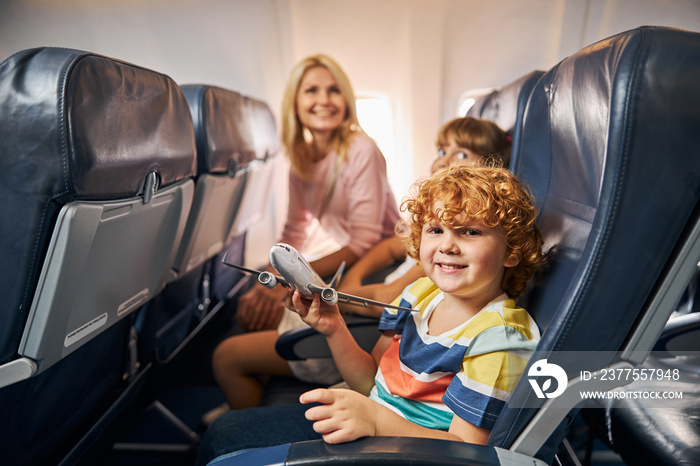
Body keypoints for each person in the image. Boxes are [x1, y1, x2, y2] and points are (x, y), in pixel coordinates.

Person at [196, 164, 545, 464]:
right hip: (373, 428)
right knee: (223, 432)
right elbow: (371, 382)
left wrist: (377, 422)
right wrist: (334, 328)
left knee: (228, 447)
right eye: (436, 230)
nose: (447, 245)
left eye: (470, 232)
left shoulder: (497, 339)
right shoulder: (421, 295)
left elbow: (469, 453)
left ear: (511, 252)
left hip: (407, 453)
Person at [210, 54, 399, 412]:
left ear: (346, 100)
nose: (324, 100)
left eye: (333, 91)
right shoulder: (302, 156)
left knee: (231, 350)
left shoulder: (361, 150)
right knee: (249, 307)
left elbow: (362, 241)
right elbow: (293, 230)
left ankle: (251, 422)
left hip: (373, 268)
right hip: (349, 262)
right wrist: (268, 276)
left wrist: (290, 275)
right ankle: (250, 395)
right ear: (295, 104)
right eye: (311, 90)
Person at [337, 115, 512, 316]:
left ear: (491, 166)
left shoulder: (446, 248)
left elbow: (388, 300)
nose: (443, 160)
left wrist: (335, 298)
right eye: (442, 151)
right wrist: (352, 277)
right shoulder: (437, 215)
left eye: (462, 155)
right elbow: (390, 248)